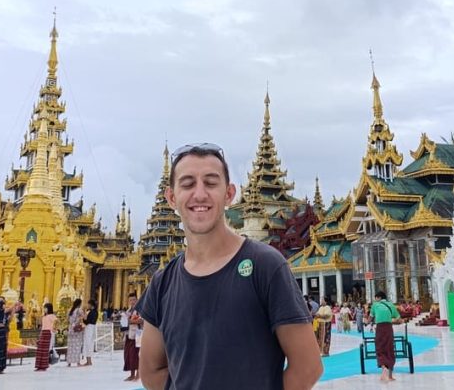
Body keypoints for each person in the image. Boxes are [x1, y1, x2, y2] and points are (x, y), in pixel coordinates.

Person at [138, 143, 322, 390]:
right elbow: (151, 372)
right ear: (171, 197)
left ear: (229, 194)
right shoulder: (162, 283)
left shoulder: (266, 266)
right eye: (188, 183)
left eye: (211, 183)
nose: (200, 194)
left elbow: (308, 367)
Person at [371, 291, 401, 383]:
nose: (375, 300)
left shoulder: (375, 305)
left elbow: (370, 317)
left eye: (376, 298)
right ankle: (390, 375)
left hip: (379, 328)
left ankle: (383, 367)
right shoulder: (391, 305)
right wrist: (392, 320)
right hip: (388, 327)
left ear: (379, 298)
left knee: (380, 347)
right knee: (389, 348)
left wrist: (367, 322)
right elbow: (398, 318)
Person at [122, 293, 141, 382]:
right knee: (129, 355)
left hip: (137, 334)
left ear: (137, 300)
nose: (132, 302)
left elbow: (142, 320)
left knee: (136, 355)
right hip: (128, 334)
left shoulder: (140, 309)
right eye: (130, 300)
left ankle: (138, 375)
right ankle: (132, 374)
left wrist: (131, 321)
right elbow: (125, 321)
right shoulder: (128, 310)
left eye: (133, 300)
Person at [34, 303, 57, 372]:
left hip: (48, 333)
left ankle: (44, 365)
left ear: (49, 308)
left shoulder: (52, 316)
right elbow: (43, 326)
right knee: (40, 350)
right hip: (43, 333)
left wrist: (54, 329)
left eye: (46, 308)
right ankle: (38, 365)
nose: (44, 309)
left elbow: (56, 321)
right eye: (44, 308)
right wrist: (40, 335)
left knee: (45, 350)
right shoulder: (44, 316)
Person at [65, 299, 84, 367]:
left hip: (70, 328)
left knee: (70, 346)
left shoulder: (70, 310)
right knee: (77, 346)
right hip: (77, 329)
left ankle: (69, 362)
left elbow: (67, 319)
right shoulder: (79, 310)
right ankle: (77, 362)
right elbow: (83, 318)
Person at [81, 299, 98, 367]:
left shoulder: (91, 312)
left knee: (87, 343)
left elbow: (87, 321)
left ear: (91, 305)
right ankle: (89, 360)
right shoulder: (95, 312)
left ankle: (88, 361)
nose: (87, 305)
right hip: (93, 327)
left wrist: (84, 318)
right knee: (90, 344)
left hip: (89, 328)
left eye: (88, 304)